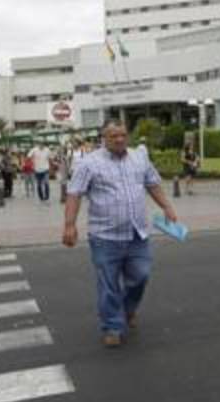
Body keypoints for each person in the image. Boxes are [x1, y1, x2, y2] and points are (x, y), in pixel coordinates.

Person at [63, 120, 181, 348]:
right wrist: (70, 225)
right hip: (105, 236)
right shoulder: (89, 163)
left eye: (123, 135)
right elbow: (74, 193)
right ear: (103, 138)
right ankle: (112, 326)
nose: (119, 139)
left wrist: (167, 207)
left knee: (141, 276)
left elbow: (153, 183)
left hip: (137, 233)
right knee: (108, 284)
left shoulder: (139, 157)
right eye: (113, 136)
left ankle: (127, 309)